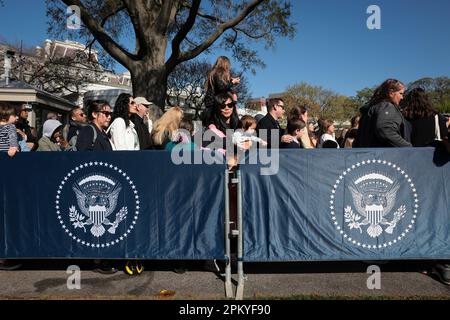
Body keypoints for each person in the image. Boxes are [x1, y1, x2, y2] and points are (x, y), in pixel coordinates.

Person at [354, 79, 412, 147]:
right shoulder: (386, 106)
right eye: (400, 93)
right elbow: (385, 131)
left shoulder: (371, 109)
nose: (402, 97)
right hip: (384, 156)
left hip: (368, 155)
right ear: (391, 93)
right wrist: (408, 147)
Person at [203, 56, 240, 122]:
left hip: (211, 103)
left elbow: (221, 86)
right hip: (214, 103)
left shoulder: (214, 72)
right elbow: (222, 87)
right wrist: (232, 82)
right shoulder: (219, 72)